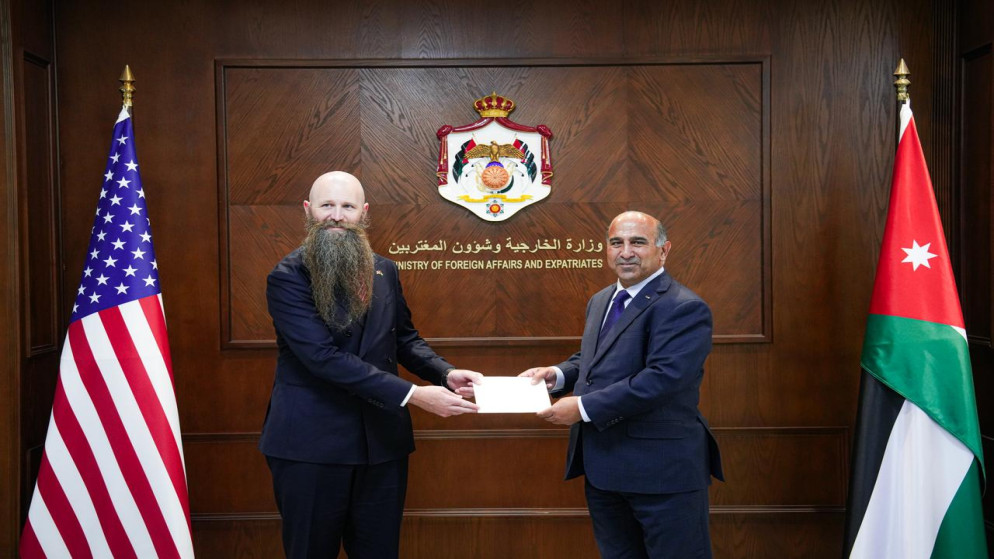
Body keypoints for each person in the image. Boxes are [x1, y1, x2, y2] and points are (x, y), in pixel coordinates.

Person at [259, 171, 483, 558]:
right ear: (308, 210)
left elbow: (403, 338)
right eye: (327, 205)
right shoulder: (287, 276)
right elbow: (323, 358)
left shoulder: (385, 269)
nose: (336, 215)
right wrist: (414, 395)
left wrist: (444, 373)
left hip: (380, 446)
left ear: (363, 213)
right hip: (311, 448)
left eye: (347, 206)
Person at [520, 210, 723, 559]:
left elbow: (662, 379)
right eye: (617, 243)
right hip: (605, 470)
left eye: (637, 242)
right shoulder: (601, 300)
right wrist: (559, 374)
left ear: (663, 251)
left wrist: (583, 407)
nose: (625, 252)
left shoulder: (684, 307)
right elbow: (596, 360)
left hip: (663, 474)